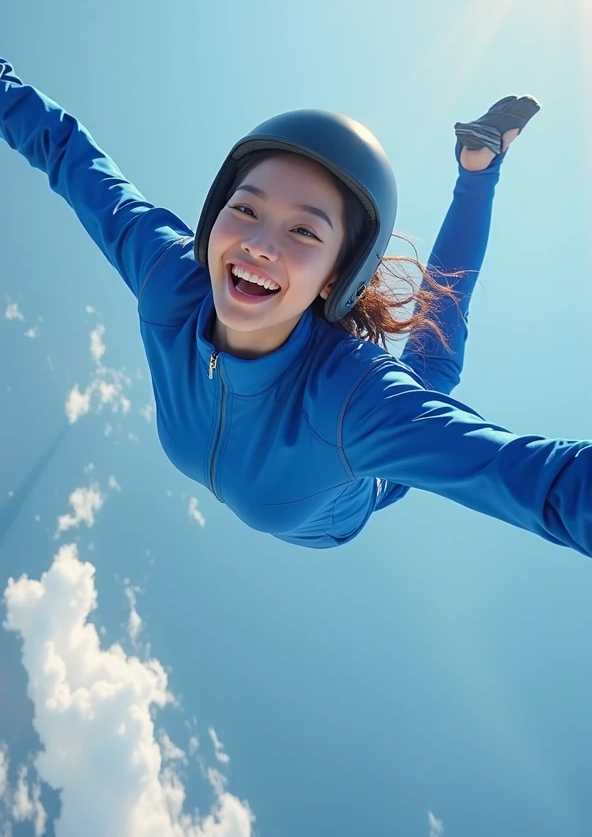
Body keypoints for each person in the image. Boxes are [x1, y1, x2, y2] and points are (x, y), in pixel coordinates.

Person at [2, 57, 590, 556]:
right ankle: (479, 162)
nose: (258, 245)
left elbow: (537, 481)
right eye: (247, 210)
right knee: (435, 357)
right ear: (213, 221)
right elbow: (69, 157)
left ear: (338, 275)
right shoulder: (172, 278)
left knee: (434, 359)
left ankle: (477, 175)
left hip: (358, 478)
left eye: (304, 233)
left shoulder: (353, 404)